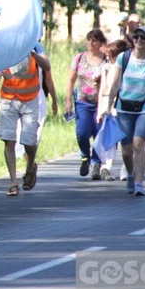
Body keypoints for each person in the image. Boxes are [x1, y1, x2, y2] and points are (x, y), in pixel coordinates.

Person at [105, 26, 145, 196]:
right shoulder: (123, 58)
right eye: (136, 36)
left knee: (138, 145)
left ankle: (139, 183)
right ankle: (131, 175)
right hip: (124, 108)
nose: (139, 40)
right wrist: (108, 106)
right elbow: (115, 84)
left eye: (143, 37)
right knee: (126, 151)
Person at [0, 50, 51, 196]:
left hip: (30, 100)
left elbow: (46, 66)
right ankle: (13, 183)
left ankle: (30, 167)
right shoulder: (4, 49)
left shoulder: (32, 46)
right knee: (9, 140)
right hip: (9, 100)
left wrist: (34, 54)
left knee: (29, 140)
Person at [64, 29, 107, 180]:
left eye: (94, 40)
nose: (91, 43)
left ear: (101, 43)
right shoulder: (79, 57)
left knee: (97, 133)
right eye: (89, 39)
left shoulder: (106, 60)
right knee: (82, 132)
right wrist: (68, 101)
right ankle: (85, 156)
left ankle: (96, 164)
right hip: (82, 101)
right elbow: (70, 80)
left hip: (100, 103)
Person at [97, 40, 129, 181]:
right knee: (110, 136)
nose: (110, 59)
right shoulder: (106, 67)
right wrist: (101, 109)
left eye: (113, 55)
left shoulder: (128, 67)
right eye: (108, 56)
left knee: (125, 139)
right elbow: (103, 88)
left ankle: (126, 169)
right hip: (108, 104)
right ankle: (107, 167)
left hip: (124, 104)